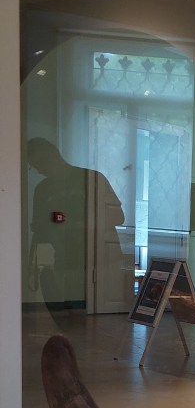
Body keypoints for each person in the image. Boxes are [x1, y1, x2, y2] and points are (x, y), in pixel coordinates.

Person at [26, 137, 129, 321]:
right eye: (32, 165)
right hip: (67, 263)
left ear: (50, 155)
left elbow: (118, 217)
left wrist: (76, 224)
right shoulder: (42, 190)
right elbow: (40, 230)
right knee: (72, 322)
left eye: (36, 163)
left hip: (104, 264)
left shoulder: (92, 179)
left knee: (108, 324)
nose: (38, 170)